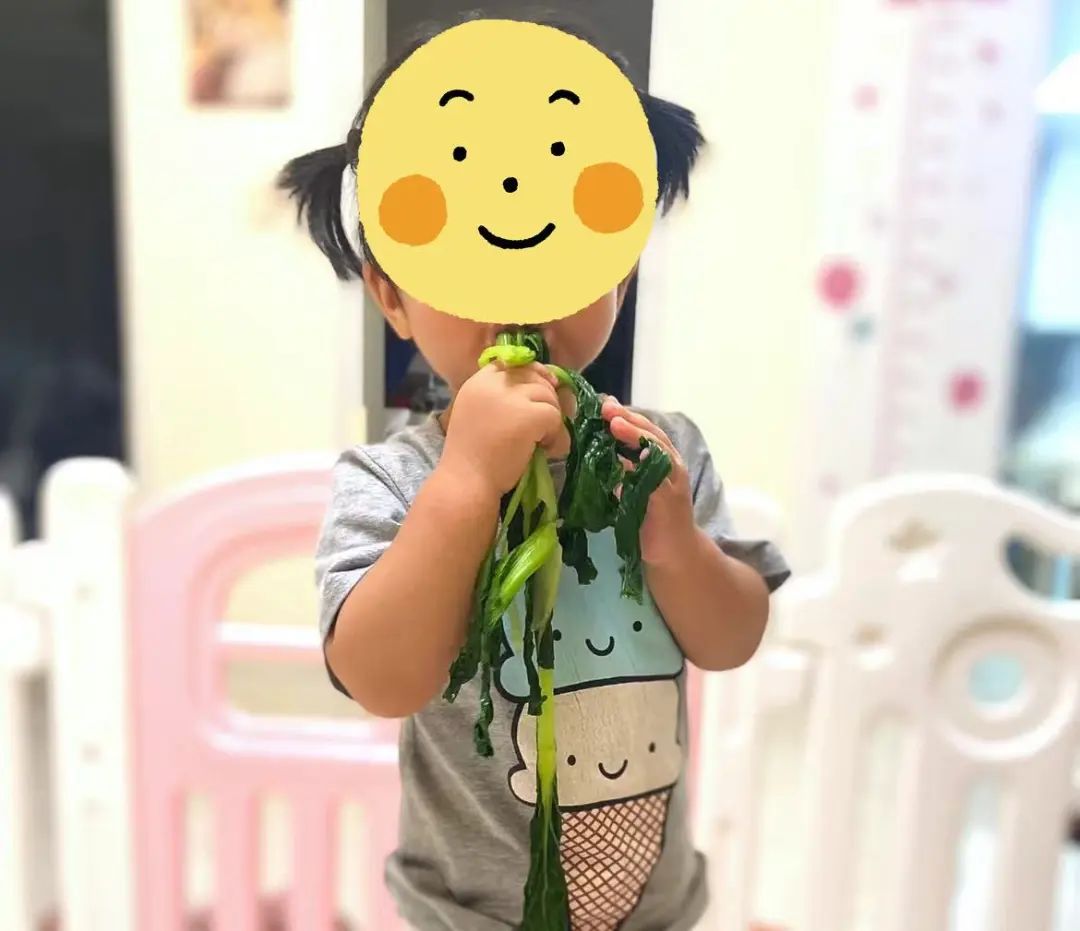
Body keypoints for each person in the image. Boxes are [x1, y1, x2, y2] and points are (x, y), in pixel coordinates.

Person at [280, 13, 790, 930]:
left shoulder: (665, 449)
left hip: (657, 909)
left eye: (565, 259)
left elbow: (733, 636)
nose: (519, 283)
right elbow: (380, 678)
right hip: (460, 914)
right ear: (391, 297)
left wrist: (674, 540)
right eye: (464, 261)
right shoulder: (392, 479)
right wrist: (466, 485)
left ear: (619, 275)